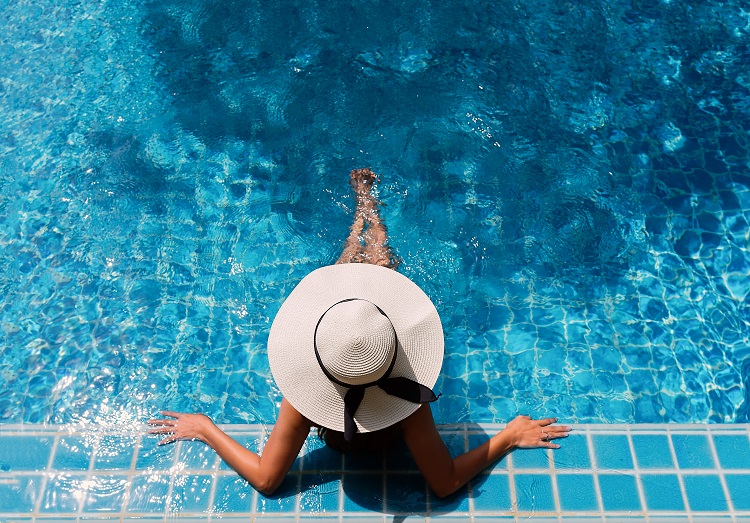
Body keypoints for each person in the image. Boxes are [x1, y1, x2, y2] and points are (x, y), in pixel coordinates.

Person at [148, 168, 571, 498]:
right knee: (369, 291)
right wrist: (509, 436)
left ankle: (361, 216)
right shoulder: (408, 397)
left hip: (345, 367)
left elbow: (266, 479)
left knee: (348, 297)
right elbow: (444, 483)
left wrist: (206, 428)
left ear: (316, 369)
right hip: (378, 368)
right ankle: (370, 210)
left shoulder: (301, 402)